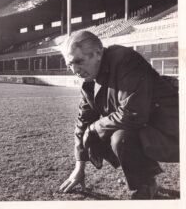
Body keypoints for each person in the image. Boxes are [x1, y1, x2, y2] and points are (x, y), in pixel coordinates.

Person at [58, 31, 179, 199]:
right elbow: (83, 123)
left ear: (98, 53)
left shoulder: (125, 60)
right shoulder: (89, 83)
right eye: (70, 64)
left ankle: (146, 180)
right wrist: (79, 168)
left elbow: (133, 113)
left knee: (116, 137)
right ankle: (146, 184)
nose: (75, 70)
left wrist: (94, 128)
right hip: (147, 128)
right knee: (116, 136)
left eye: (79, 61)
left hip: (173, 130)